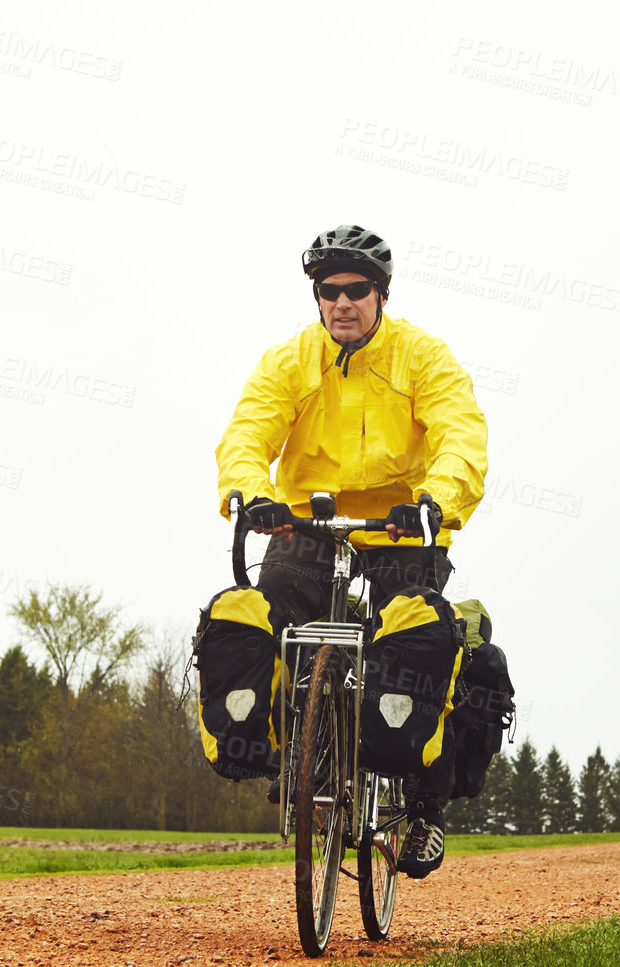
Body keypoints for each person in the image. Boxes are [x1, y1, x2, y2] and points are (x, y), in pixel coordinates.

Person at [206, 224, 488, 877]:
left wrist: (434, 501)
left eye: (356, 290)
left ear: (380, 294)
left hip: (400, 526)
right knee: (267, 614)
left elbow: (461, 433)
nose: (341, 303)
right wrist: (253, 496)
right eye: (327, 291)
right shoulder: (290, 362)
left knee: (419, 642)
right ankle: (294, 749)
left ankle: (423, 810)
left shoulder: (422, 357)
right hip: (307, 525)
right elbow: (246, 433)